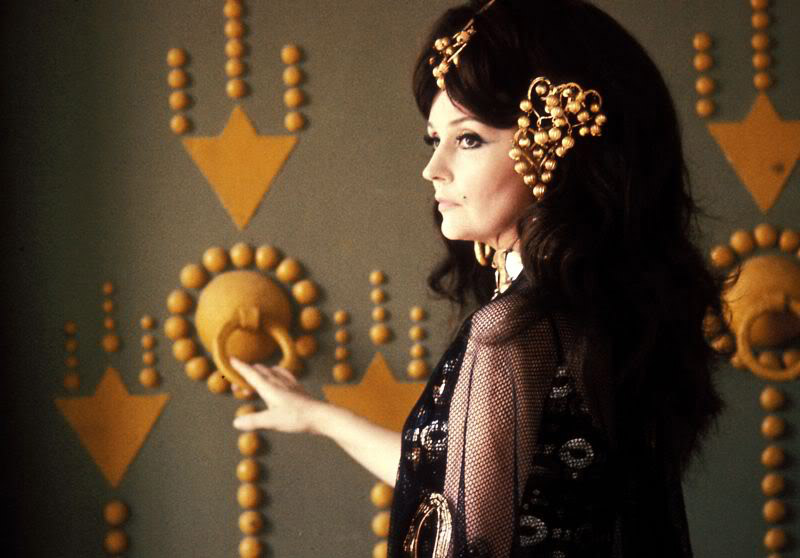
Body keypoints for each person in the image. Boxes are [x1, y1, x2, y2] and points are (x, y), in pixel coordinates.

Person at [232, 0, 724, 556]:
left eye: (468, 139)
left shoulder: (512, 333)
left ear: (559, 148)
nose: (433, 168)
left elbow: (466, 532)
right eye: (433, 139)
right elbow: (456, 483)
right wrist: (320, 417)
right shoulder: (595, 309)